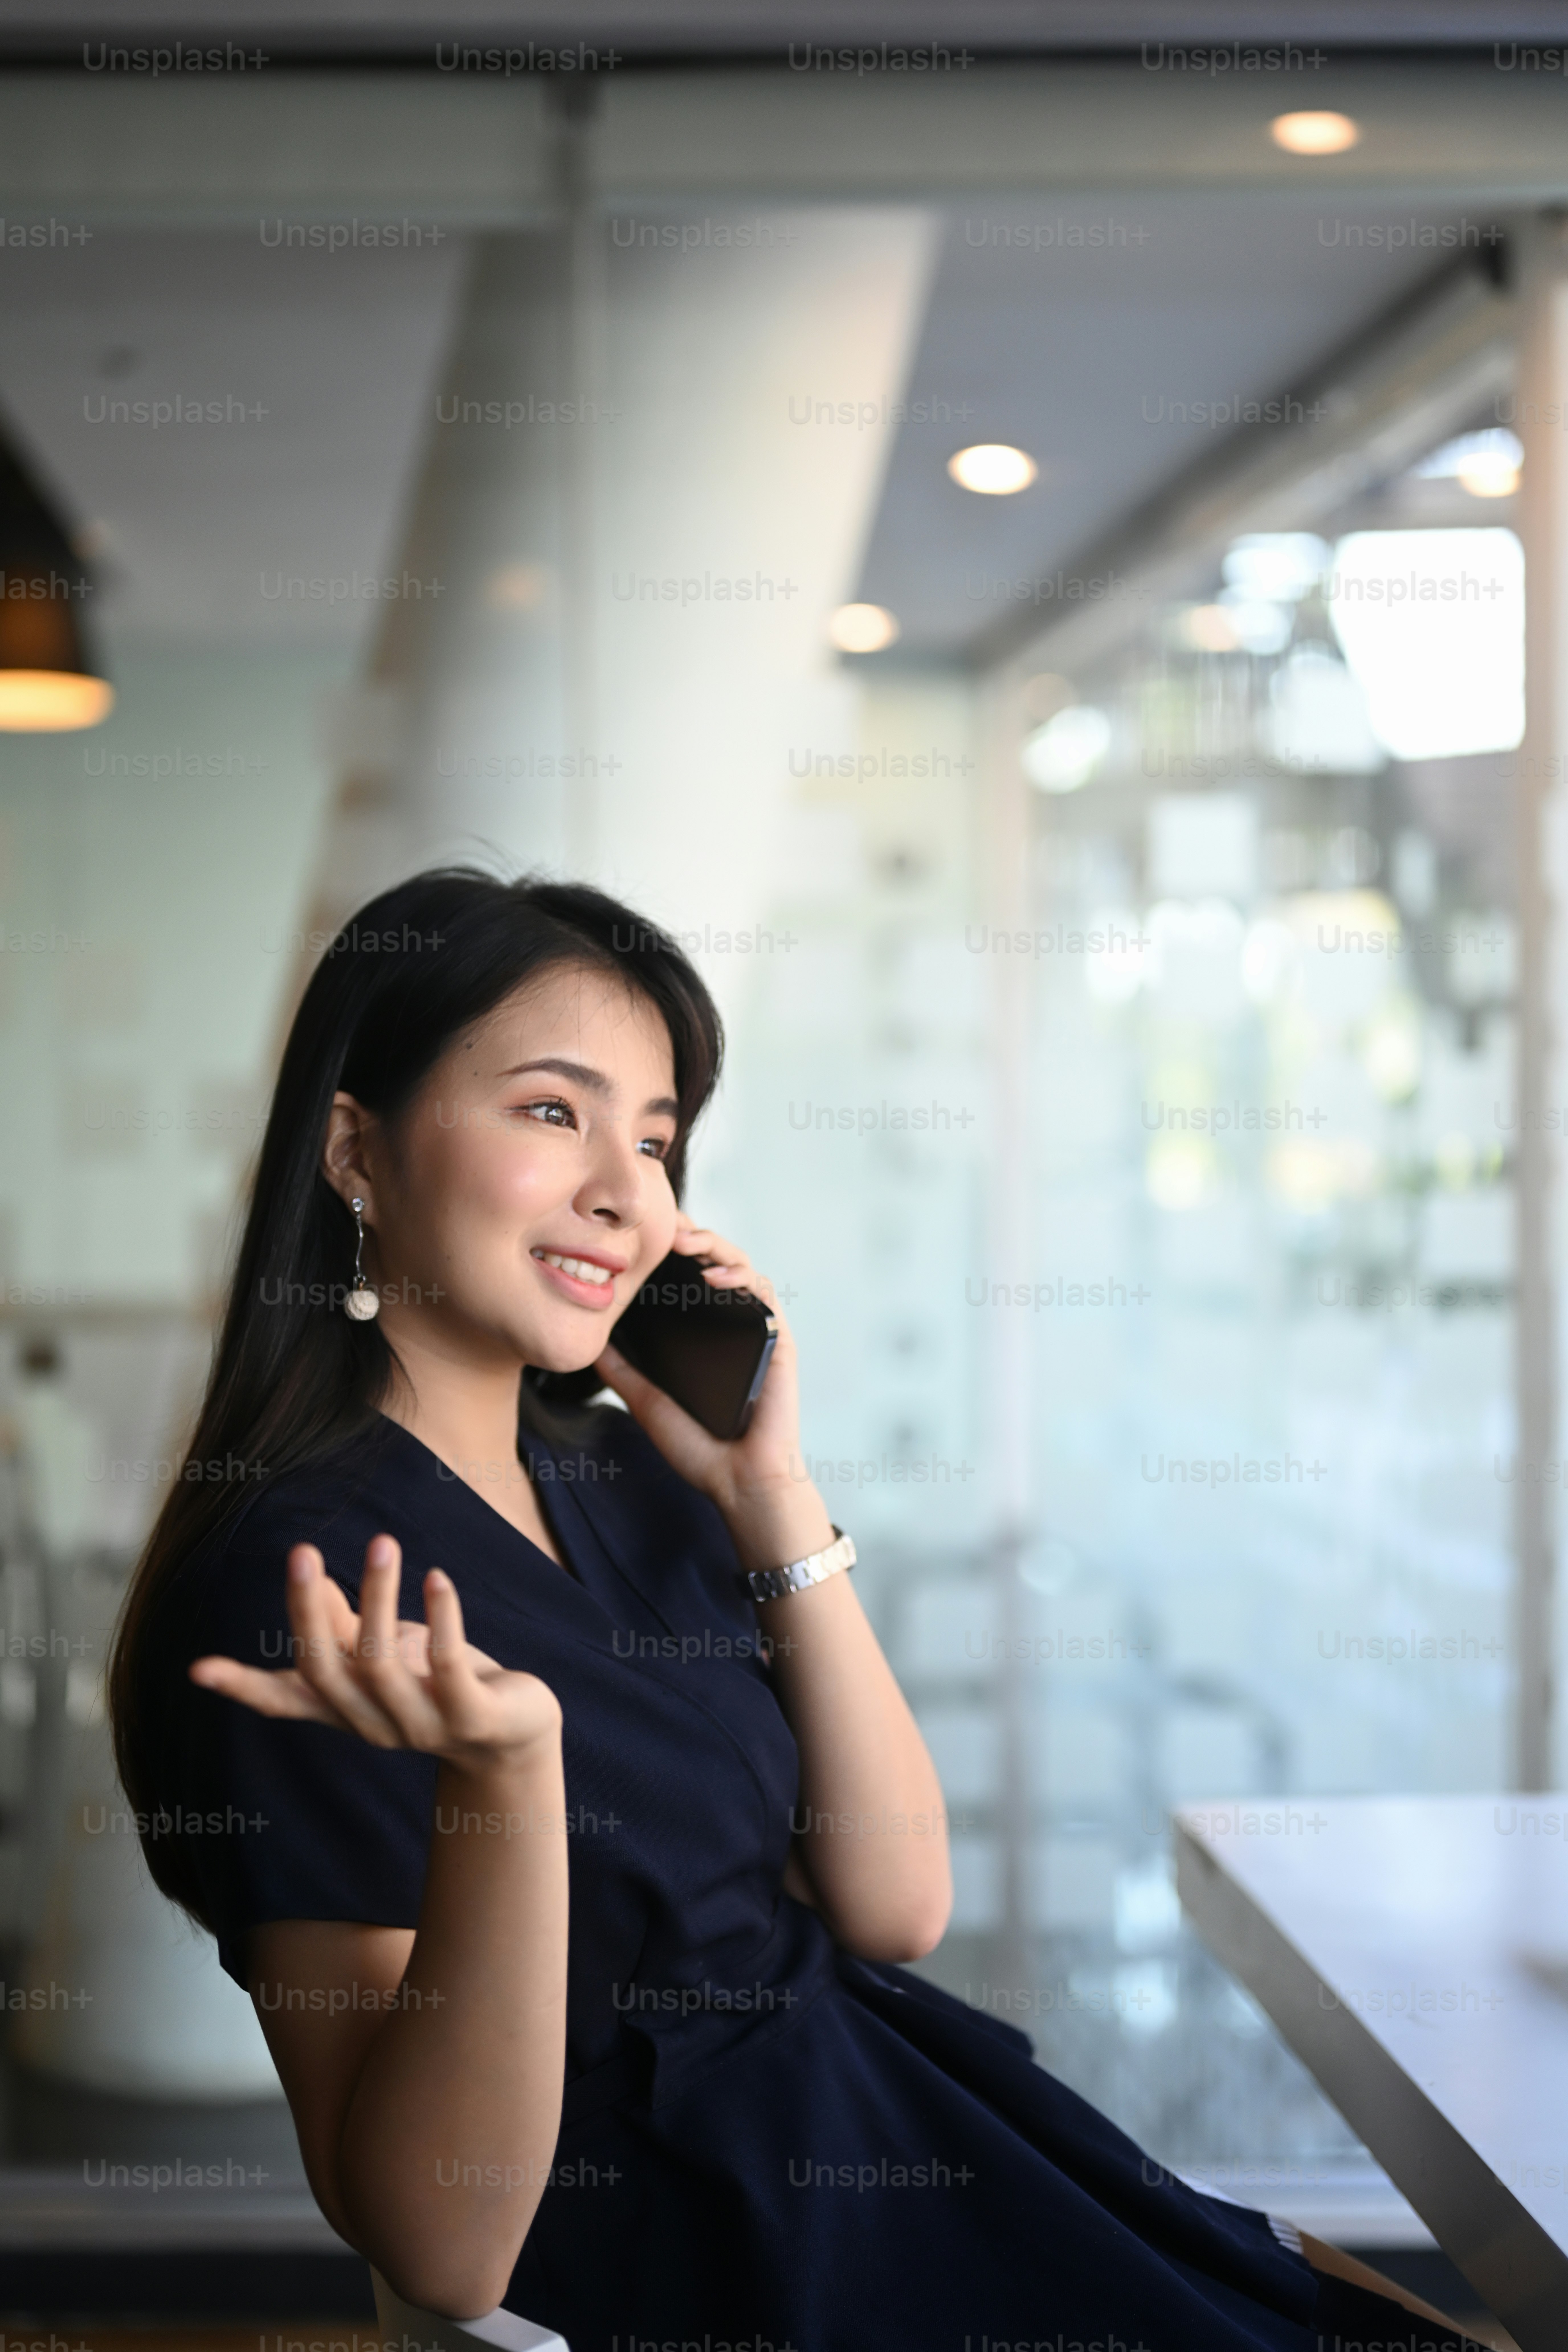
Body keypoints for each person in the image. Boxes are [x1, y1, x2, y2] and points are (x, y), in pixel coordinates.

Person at [109, 870, 1496, 2352]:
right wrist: (507, 1777)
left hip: (905, 2125)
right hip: (733, 2250)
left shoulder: (632, 1482)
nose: (628, 1195)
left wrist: (770, 1492)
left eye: (656, 1141)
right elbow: (445, 2249)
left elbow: (895, 1907)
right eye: (553, 1112)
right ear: (355, 1151)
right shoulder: (305, 1585)